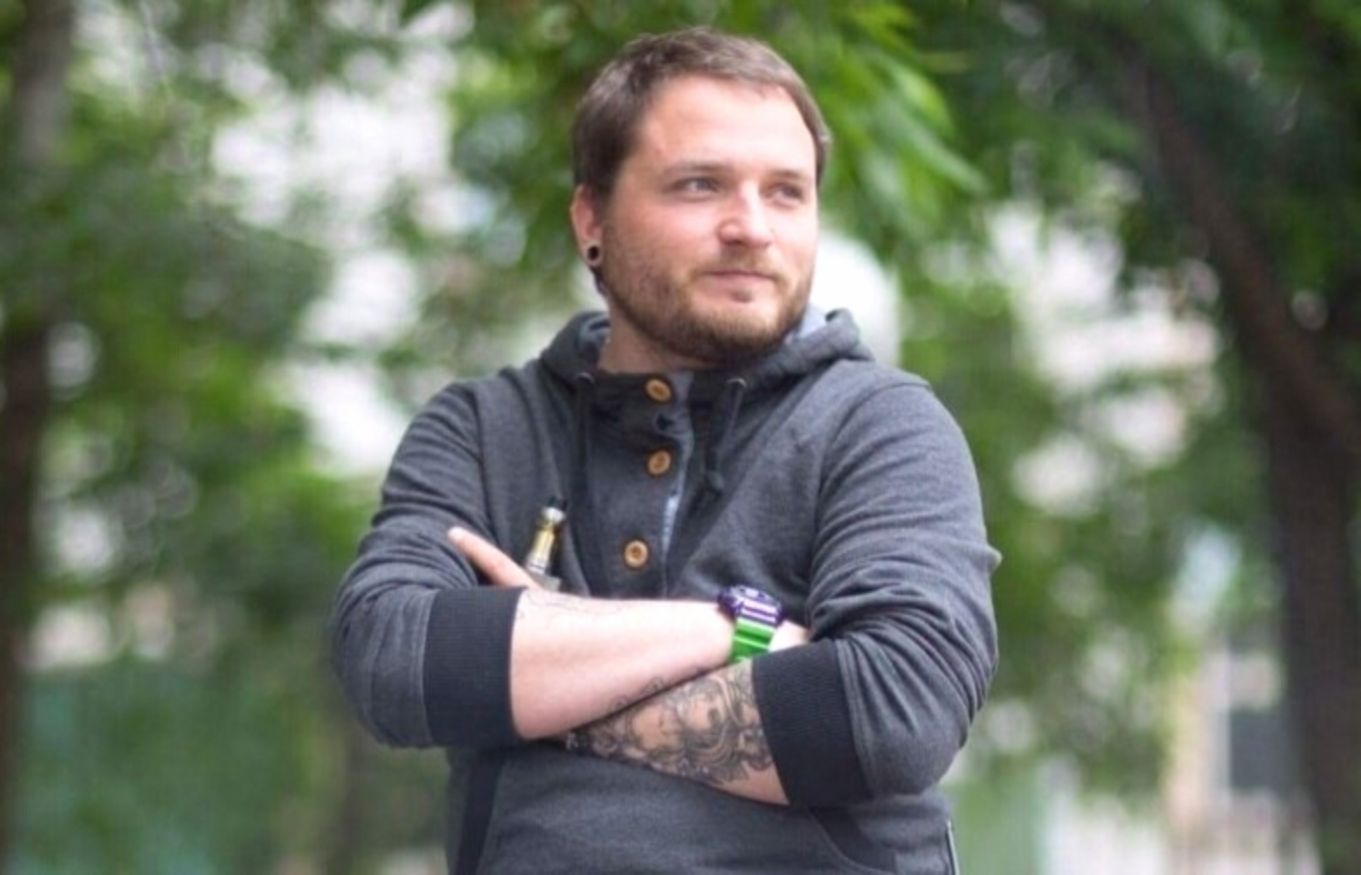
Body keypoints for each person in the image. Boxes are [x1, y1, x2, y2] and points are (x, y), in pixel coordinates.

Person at [331, 26, 999, 875]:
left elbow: (888, 713)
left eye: (786, 193)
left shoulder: (881, 425)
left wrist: (532, 668)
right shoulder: (485, 427)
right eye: (699, 185)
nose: (751, 228)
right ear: (592, 219)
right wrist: (738, 632)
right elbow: (394, 661)